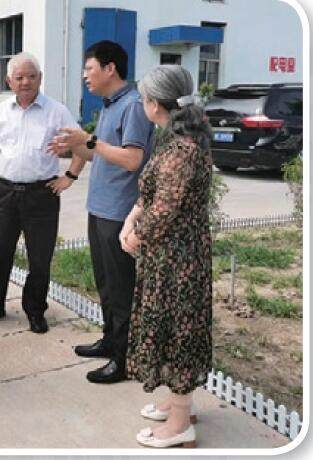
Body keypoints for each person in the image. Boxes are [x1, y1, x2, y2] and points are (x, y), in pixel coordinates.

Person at [49, 40, 154, 382]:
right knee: (106, 283)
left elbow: (132, 159)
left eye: (89, 69)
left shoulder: (133, 106)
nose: (85, 76)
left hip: (120, 213)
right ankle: (111, 341)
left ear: (110, 69)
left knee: (121, 288)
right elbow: (100, 154)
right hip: (100, 208)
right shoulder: (111, 105)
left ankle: (123, 360)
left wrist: (90, 141)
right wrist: (74, 147)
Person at [122, 65, 212, 448]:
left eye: (143, 98)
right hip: (173, 254)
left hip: (178, 260)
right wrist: (131, 218)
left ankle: (180, 424)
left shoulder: (181, 151)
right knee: (173, 328)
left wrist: (135, 235)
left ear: (154, 104)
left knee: (178, 331)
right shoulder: (176, 141)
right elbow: (153, 196)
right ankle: (179, 403)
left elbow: (164, 209)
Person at [0, 52, 85, 334]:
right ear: (9, 81)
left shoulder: (57, 111)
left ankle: (35, 311)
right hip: (6, 193)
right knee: (0, 254)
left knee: (40, 258)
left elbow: (82, 145)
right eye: (19, 77)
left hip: (42, 194)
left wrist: (70, 176)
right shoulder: (1, 111)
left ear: (40, 79)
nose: (26, 82)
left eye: (31, 76)